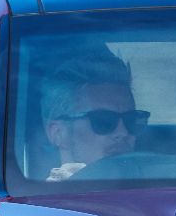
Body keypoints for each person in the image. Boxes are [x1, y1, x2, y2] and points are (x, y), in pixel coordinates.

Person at [38, 48, 148, 180]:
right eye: (103, 121)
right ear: (59, 134)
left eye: (131, 120)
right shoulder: (43, 198)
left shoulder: (162, 183)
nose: (123, 132)